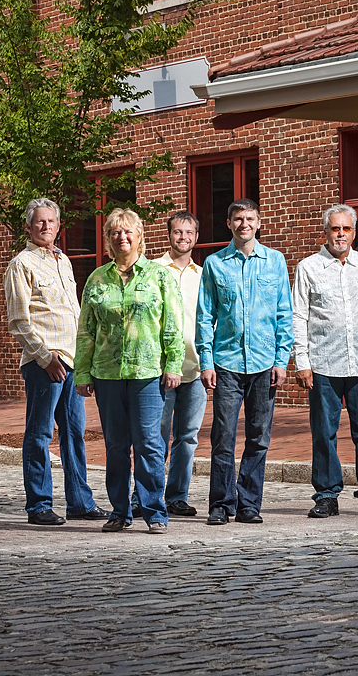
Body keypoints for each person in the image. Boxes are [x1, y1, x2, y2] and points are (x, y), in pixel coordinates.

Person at [74, 207, 185, 534]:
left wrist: (173, 365)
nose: (122, 237)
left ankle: (154, 511)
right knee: (116, 446)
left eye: (128, 232)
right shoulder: (96, 279)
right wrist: (82, 374)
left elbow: (173, 326)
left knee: (150, 444)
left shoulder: (159, 276)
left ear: (139, 237)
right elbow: (86, 331)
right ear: (109, 239)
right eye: (115, 232)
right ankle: (120, 512)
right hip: (106, 376)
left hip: (148, 374)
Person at [3, 197, 105, 526]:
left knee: (75, 433)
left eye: (51, 221)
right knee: (40, 434)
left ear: (58, 225)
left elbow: (72, 314)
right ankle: (39, 505)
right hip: (44, 364)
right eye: (40, 222)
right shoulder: (21, 264)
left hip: (73, 362)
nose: (46, 227)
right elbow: (19, 322)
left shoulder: (64, 261)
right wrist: (46, 358)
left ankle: (80, 501)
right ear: (28, 227)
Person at [292, 203, 358, 518]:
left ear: (353, 232)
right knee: (324, 432)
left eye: (345, 229)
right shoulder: (308, 268)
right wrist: (302, 361)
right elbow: (298, 317)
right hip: (323, 365)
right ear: (326, 232)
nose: (340, 234)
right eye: (335, 228)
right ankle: (326, 495)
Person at [196, 198, 293, 525]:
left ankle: (249, 503)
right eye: (238, 219)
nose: (244, 224)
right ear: (229, 223)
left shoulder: (275, 262)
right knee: (222, 438)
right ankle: (221, 504)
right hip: (226, 365)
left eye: (249, 218)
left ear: (259, 222)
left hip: (265, 364)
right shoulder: (215, 263)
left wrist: (282, 360)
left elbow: (284, 315)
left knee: (259, 438)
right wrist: (206, 362)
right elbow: (204, 316)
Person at [155, 210, 206, 516]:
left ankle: (176, 496)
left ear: (196, 238)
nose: (183, 237)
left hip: (196, 368)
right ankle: (146, 495)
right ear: (169, 235)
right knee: (155, 437)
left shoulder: (204, 276)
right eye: (178, 232)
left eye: (189, 233)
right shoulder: (152, 270)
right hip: (161, 369)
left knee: (187, 437)